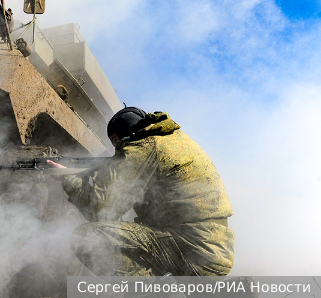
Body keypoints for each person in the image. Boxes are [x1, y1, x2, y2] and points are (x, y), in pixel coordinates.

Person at [47, 107, 234, 276]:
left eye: (115, 140)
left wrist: (68, 178)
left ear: (127, 134)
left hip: (191, 250)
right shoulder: (171, 140)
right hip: (213, 251)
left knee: (86, 237)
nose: (116, 148)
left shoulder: (143, 148)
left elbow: (99, 210)